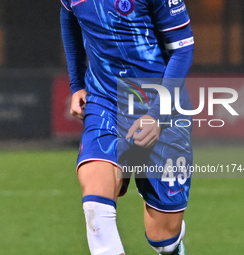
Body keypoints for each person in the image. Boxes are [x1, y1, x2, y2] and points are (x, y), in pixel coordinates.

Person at [60, 0, 194, 254]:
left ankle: (173, 246)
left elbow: (182, 50)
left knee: (163, 240)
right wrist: (77, 84)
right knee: (96, 208)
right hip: (105, 101)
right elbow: (69, 18)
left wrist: (157, 114)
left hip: (158, 103)